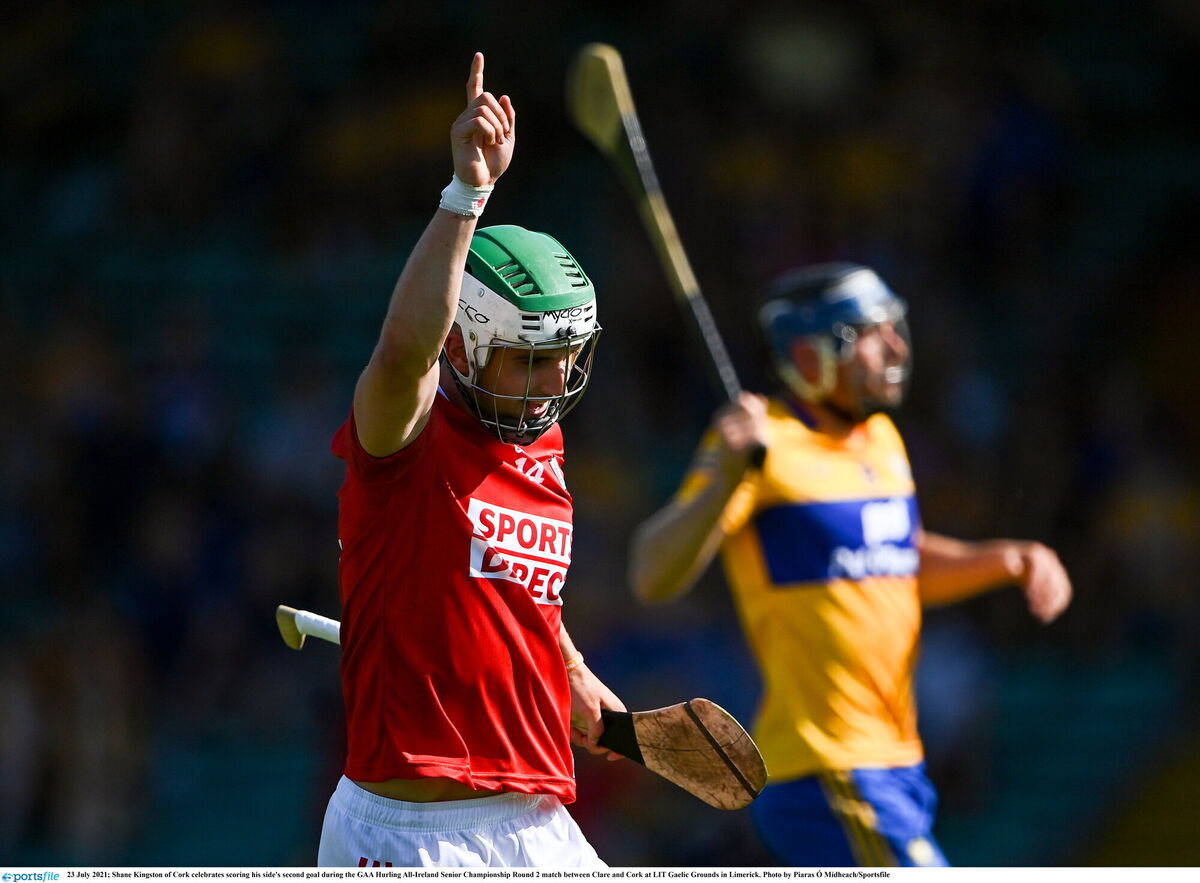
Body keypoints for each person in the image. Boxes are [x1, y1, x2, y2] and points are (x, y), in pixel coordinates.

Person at [628, 263, 1072, 867]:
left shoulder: (882, 439)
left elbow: (894, 563)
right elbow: (652, 575)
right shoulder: (762, 447)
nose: (894, 346)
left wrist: (1007, 560)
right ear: (810, 357)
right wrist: (722, 484)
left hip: (897, 763)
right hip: (827, 770)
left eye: (895, 327)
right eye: (869, 333)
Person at [317, 53, 624, 869]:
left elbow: (521, 590)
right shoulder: (404, 435)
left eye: (567, 354)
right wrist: (468, 195)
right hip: (411, 834)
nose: (557, 379)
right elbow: (400, 351)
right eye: (531, 356)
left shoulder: (545, 446)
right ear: (466, 343)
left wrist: (573, 669)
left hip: (538, 818)